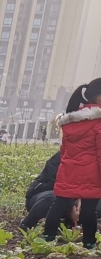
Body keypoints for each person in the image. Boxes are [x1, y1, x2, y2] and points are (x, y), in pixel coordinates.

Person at [44, 79, 101, 248]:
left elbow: (64, 151)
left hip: (68, 170)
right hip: (92, 174)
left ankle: (48, 237)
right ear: (99, 99)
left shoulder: (70, 122)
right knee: (89, 210)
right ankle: (89, 243)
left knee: (59, 203)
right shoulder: (98, 123)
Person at [20, 151, 75, 229]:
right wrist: (73, 204)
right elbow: (58, 185)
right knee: (57, 198)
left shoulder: (92, 160)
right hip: (42, 196)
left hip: (71, 198)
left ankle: (68, 225)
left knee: (94, 204)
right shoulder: (62, 156)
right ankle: (27, 223)